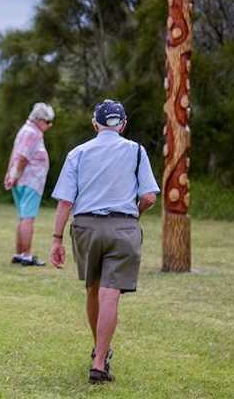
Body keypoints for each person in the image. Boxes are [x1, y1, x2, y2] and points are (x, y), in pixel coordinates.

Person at [49, 99, 159, 384]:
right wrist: (135, 213)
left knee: (93, 290)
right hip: (124, 228)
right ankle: (99, 362)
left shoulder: (78, 153)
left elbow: (65, 201)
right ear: (123, 124)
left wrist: (57, 239)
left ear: (95, 123)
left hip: (86, 228)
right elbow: (149, 197)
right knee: (110, 294)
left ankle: (100, 349)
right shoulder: (136, 151)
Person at [3, 102, 55, 266]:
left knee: (22, 217)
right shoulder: (34, 133)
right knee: (28, 218)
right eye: (48, 122)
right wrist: (16, 173)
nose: (49, 125)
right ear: (39, 119)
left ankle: (19, 253)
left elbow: (15, 153)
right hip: (30, 180)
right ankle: (26, 255)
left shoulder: (24, 130)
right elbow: (24, 156)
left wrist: (10, 173)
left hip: (18, 179)